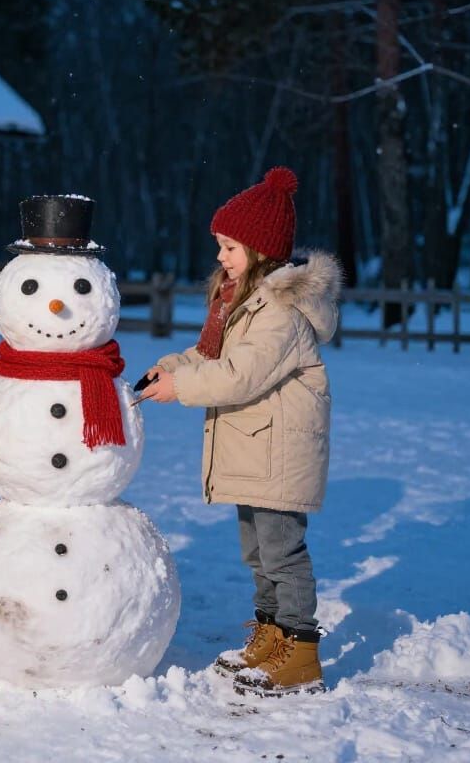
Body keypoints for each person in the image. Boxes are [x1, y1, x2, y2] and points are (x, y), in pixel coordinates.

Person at [139, 167, 341, 695]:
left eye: (230, 247)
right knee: (258, 553)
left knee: (282, 552)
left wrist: (183, 387)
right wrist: (171, 368)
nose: (222, 257)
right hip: (256, 452)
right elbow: (212, 356)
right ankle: (270, 638)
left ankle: (298, 651)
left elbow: (237, 375)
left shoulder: (279, 311)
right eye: (220, 246)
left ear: (262, 249)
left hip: (278, 454)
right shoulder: (242, 303)